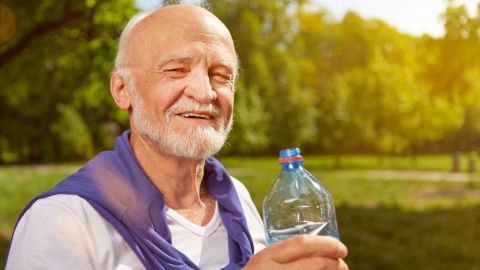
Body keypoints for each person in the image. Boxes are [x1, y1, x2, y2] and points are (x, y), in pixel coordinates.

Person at [6, 4, 348, 270]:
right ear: (122, 90)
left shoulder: (238, 200)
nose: (205, 93)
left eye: (220, 75)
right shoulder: (62, 221)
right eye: (175, 70)